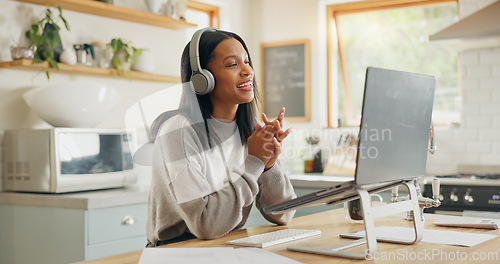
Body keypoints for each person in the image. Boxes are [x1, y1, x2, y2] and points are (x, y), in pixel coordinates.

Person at [146, 27, 296, 247]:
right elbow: (206, 224)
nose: (248, 71)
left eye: (247, 62)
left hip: (227, 248)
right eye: (232, 64)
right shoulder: (177, 132)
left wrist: (268, 166)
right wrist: (254, 162)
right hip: (178, 253)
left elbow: (284, 214)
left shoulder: (249, 130)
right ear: (202, 79)